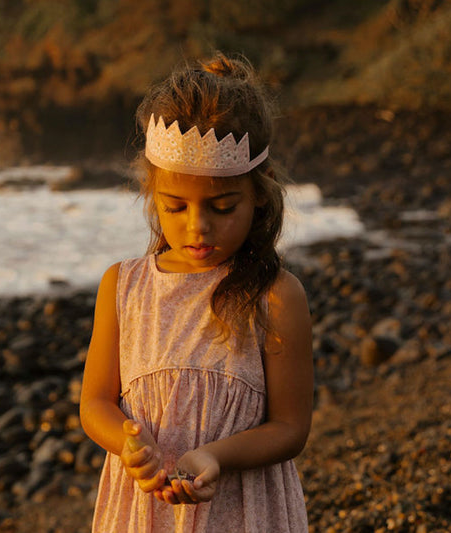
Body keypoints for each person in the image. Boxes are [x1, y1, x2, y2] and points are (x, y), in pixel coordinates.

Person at [80, 52, 313, 532]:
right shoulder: (122, 286)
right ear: (152, 196)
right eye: (175, 206)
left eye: (223, 206)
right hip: (144, 510)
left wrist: (215, 456)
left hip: (243, 513)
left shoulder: (275, 297)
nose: (197, 227)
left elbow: (290, 429)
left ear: (259, 194)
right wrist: (128, 446)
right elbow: (94, 403)